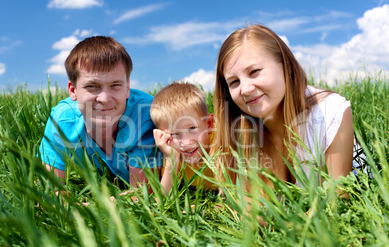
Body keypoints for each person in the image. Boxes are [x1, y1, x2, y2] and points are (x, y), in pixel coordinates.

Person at [211, 24, 354, 192]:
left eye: (254, 71)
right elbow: (249, 210)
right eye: (234, 82)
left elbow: (336, 203)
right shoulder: (241, 134)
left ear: (287, 66)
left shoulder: (330, 112)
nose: (245, 89)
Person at [39, 36, 161, 188]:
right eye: (92, 86)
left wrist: (86, 208)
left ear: (127, 88)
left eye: (115, 85)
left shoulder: (145, 114)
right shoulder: (62, 121)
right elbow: (50, 192)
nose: (104, 98)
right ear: (73, 90)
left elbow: (143, 193)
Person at [150, 81, 215, 194]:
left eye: (192, 128)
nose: (185, 143)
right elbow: (163, 198)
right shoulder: (174, 154)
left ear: (209, 124)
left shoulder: (222, 143)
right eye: (174, 134)